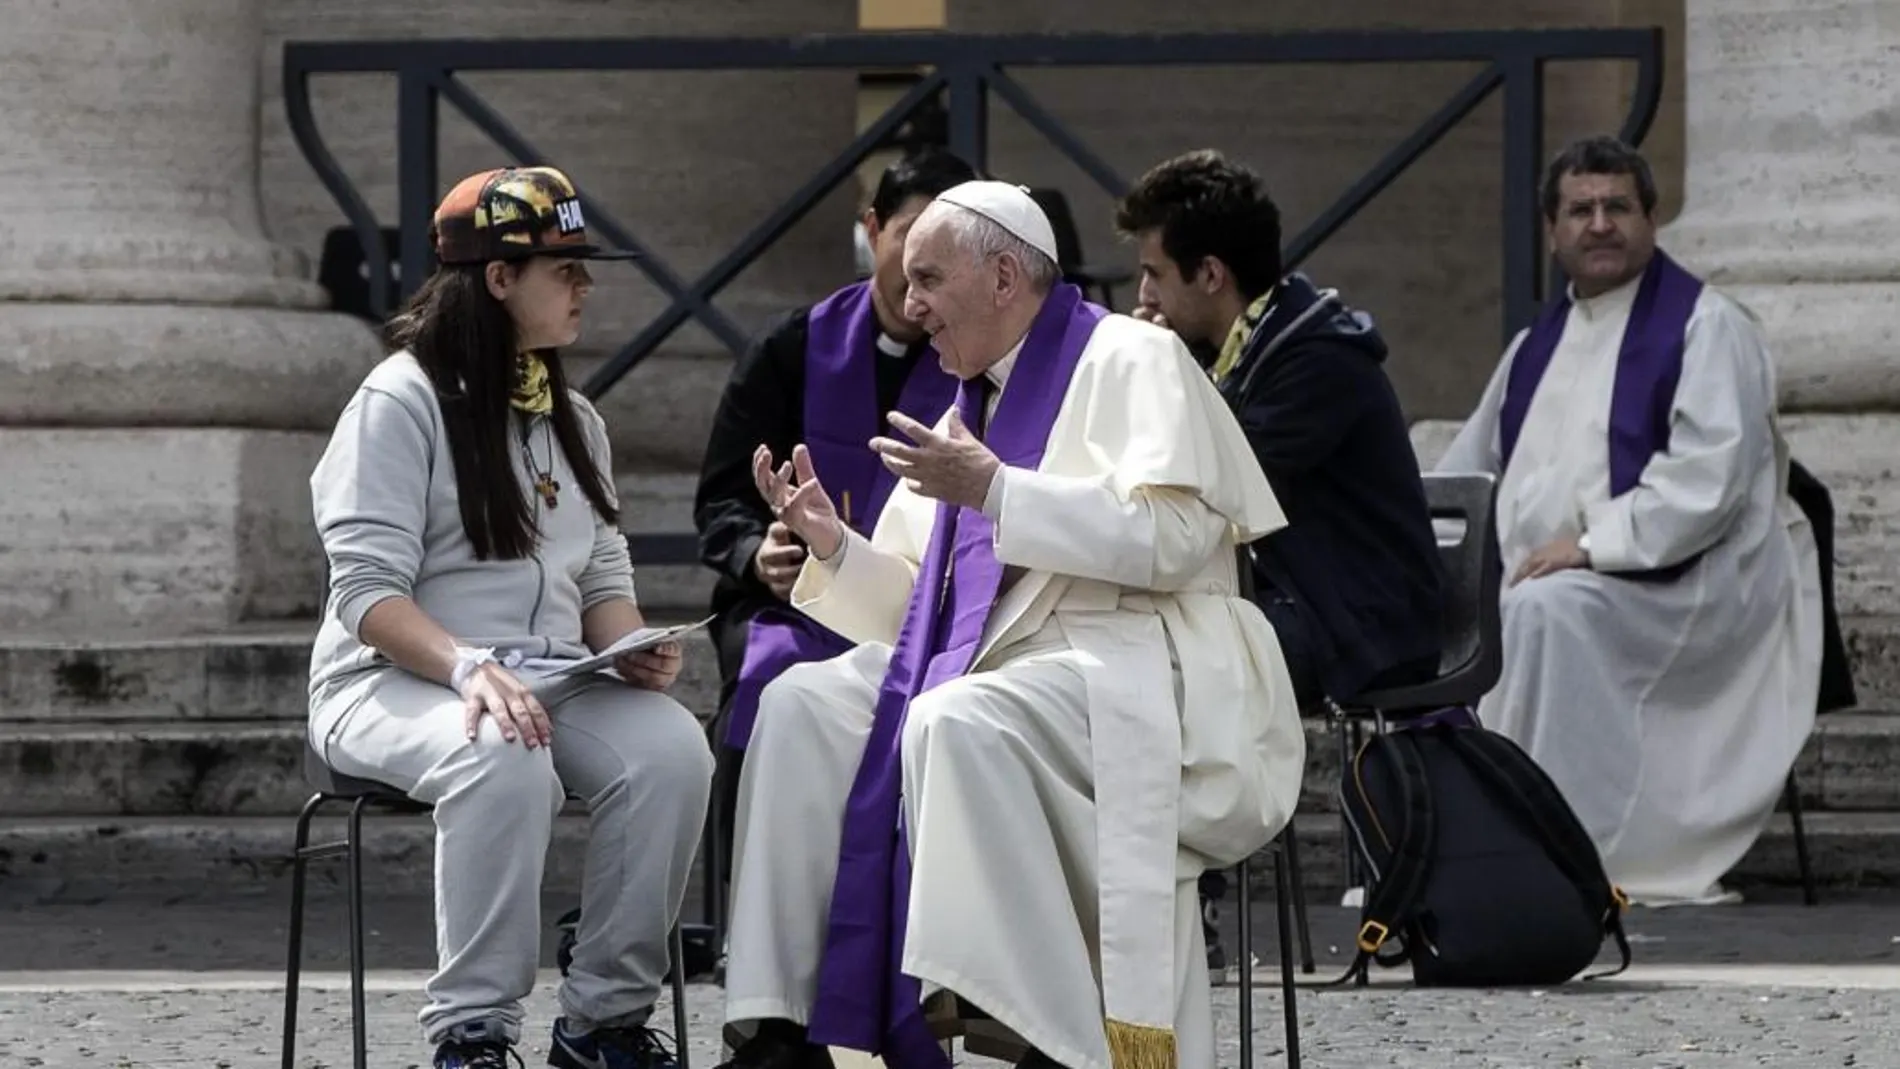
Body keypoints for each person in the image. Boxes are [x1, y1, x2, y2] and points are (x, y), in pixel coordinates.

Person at [717, 180, 1305, 1069]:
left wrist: (999, 490)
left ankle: (1016, 1030)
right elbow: (918, 614)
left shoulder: (1134, 358)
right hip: (1000, 667)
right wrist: (834, 546)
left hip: (1128, 658)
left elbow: (1179, 539)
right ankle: (780, 1025)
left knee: (953, 719)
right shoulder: (968, 404)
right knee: (802, 702)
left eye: (928, 279)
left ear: (1002, 277)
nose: (910, 307)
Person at [307, 165, 714, 1069]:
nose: (584, 286)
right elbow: (366, 594)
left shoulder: (575, 416)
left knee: (672, 750)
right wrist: (466, 667)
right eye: (564, 267)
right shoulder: (397, 403)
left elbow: (603, 573)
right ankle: (472, 1033)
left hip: (549, 676)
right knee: (504, 753)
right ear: (498, 278)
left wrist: (629, 646)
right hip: (391, 680)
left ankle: (601, 1020)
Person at [1436, 135, 1823, 906]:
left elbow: (1706, 484)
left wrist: (1587, 546)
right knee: (1493, 612)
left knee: (1543, 613)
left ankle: (1554, 856)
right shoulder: (1531, 347)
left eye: (1619, 206)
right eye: (1581, 209)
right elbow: (1466, 469)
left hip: (1690, 585)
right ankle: (1470, 853)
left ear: (1652, 219)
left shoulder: (1707, 326)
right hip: (1557, 581)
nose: (1600, 224)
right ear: (1553, 232)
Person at [1112, 148, 1443, 976]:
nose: (1141, 297)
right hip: (1287, 596)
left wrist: (1155, 375)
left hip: (1360, 615)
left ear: (1211, 274)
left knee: (1181, 670)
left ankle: (1190, 904)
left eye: (1154, 275)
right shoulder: (1233, 349)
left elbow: (1217, 492)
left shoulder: (1312, 358)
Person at [693, 147, 975, 877]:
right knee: (768, 686)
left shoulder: (978, 361)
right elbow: (723, 496)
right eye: (911, 235)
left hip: (926, 612)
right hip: (790, 608)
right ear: (873, 226)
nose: (925, 268)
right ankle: (750, 905)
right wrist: (758, 551)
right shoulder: (791, 350)